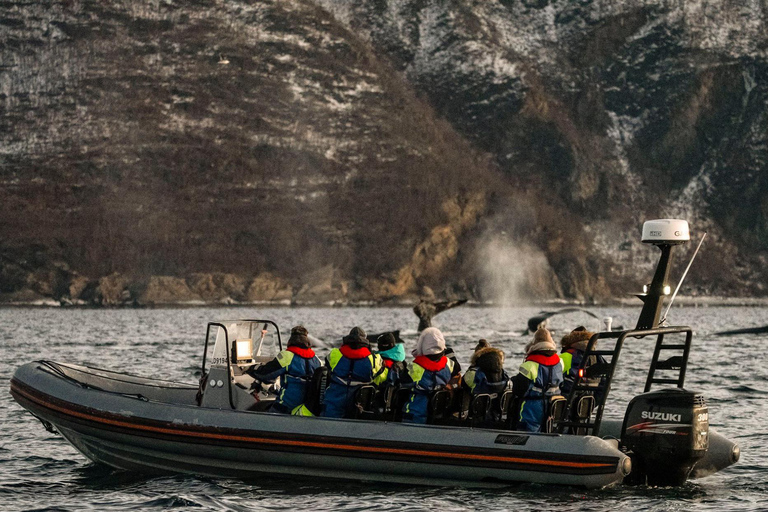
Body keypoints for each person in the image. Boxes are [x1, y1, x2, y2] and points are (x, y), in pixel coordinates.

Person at [249, 325, 321, 416]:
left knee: (260, 412)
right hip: (307, 406)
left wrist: (250, 369)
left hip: (287, 406)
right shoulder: (316, 359)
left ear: (290, 341)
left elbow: (266, 375)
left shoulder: (287, 356)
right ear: (307, 342)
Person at [322, 327, 388, 418]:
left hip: (334, 404)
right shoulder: (374, 359)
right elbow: (382, 377)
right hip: (359, 407)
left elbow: (327, 367)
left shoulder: (335, 354)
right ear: (365, 340)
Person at [402, 327, 461, 424]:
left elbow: (403, 383)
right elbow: (457, 369)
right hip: (438, 413)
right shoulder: (448, 363)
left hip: (416, 415)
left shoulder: (415, 367)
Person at [512, 327, 564, 432]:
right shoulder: (560, 362)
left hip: (533, 407)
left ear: (534, 343)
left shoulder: (529, 365)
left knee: (529, 429)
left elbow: (519, 391)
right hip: (553, 404)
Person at [560, 326, 606, 398]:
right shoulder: (598, 357)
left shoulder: (566, 356)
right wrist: (592, 402)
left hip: (566, 402)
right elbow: (605, 384)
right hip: (588, 402)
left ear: (569, 340)